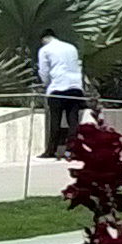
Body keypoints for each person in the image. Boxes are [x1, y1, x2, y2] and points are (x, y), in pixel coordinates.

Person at [36, 29, 90, 158]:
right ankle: (71, 151)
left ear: (44, 39)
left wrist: (47, 84)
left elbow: (43, 71)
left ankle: (51, 150)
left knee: (55, 121)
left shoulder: (45, 50)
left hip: (57, 87)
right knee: (73, 121)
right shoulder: (71, 47)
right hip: (75, 86)